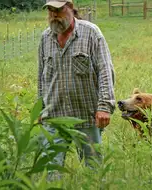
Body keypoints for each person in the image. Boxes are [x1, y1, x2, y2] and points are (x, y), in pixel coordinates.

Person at [37, 0, 115, 180]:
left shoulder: (91, 33)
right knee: (51, 171)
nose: (54, 15)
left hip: (85, 114)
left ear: (70, 7)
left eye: (58, 9)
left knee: (94, 170)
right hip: (54, 115)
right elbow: (41, 76)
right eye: (50, 10)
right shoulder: (45, 38)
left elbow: (105, 70)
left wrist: (104, 106)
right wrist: (40, 107)